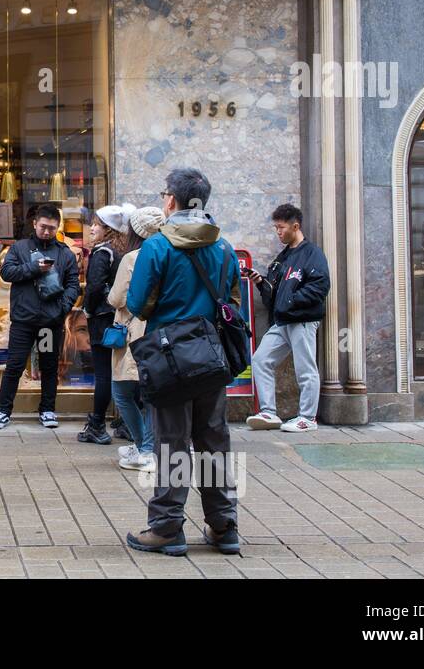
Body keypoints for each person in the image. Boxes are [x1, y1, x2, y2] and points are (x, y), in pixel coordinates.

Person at [125, 168, 241, 557]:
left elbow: (139, 304)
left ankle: (167, 527)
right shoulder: (223, 247)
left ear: (171, 201)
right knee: (213, 439)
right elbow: (231, 299)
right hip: (211, 355)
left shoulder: (157, 248)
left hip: (168, 357)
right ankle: (224, 525)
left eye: (164, 195)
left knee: (171, 443)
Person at [0, 203, 81, 430]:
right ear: (34, 224)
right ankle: (3, 411)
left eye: (51, 227)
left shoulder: (64, 253)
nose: (47, 231)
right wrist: (33, 268)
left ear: (58, 226)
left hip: (50, 321)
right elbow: (7, 273)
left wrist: (63, 307)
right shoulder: (19, 249)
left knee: (49, 366)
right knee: (15, 365)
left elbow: (73, 285)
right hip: (23, 320)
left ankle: (47, 409)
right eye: (43, 227)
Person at [244, 204, 331, 433]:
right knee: (261, 360)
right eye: (275, 228)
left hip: (301, 319)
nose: (278, 232)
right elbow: (273, 293)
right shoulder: (282, 258)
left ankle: (308, 418)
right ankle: (268, 412)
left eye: (281, 228)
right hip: (282, 321)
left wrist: (290, 301)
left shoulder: (312, 253)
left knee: (305, 368)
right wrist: (261, 283)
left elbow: (320, 286)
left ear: (295, 226)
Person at [106, 206, 165, 471]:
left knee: (121, 392)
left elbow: (116, 298)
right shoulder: (168, 253)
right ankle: (146, 448)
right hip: (159, 332)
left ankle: (145, 448)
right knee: (151, 393)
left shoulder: (132, 258)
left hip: (133, 333)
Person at [78, 203, 133, 444]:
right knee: (120, 372)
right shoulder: (121, 251)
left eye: (97, 224)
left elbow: (94, 287)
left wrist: (87, 310)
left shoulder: (102, 253)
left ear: (107, 229)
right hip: (117, 318)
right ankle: (126, 423)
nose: (92, 228)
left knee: (103, 374)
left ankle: (97, 425)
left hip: (101, 320)